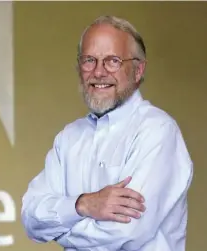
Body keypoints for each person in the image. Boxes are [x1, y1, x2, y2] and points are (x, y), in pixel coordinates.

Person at [21, 15, 193, 251]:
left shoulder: (158, 131)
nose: (99, 72)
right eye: (89, 60)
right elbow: (31, 217)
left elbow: (126, 233)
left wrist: (61, 228)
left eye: (112, 61)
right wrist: (83, 205)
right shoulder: (69, 138)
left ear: (138, 70)